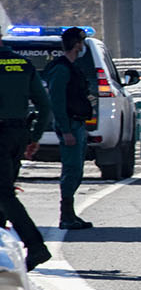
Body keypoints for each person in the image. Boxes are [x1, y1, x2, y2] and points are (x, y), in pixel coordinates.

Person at [0, 38, 53, 269]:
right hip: (18, 134)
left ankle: (35, 245)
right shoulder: (23, 64)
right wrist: (35, 136)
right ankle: (3, 253)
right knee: (3, 192)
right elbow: (45, 105)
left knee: (4, 195)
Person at [45, 27, 97, 229]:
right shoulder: (61, 69)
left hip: (77, 124)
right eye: (81, 42)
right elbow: (57, 102)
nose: (83, 46)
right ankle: (66, 215)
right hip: (70, 125)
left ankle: (70, 214)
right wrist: (66, 130)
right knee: (71, 168)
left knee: (77, 169)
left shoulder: (72, 67)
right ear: (76, 45)